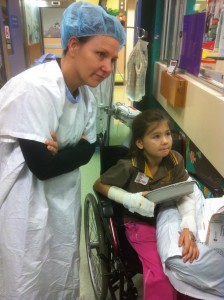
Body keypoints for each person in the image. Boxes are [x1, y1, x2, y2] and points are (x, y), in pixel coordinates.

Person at [0, 2, 125, 299]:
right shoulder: (36, 88)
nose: (108, 67)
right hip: (24, 203)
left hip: (62, 203)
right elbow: (42, 167)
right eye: (100, 54)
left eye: (113, 58)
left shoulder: (86, 96)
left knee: (59, 272)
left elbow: (88, 149)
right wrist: (72, 149)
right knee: (25, 278)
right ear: (73, 45)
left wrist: (63, 151)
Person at [94, 109, 199, 300]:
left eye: (167, 134)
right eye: (156, 136)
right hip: (139, 222)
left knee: (187, 265)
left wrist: (188, 227)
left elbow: (184, 194)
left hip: (167, 215)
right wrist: (129, 199)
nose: (166, 141)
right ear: (140, 143)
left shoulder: (175, 160)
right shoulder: (128, 167)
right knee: (161, 276)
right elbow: (99, 184)